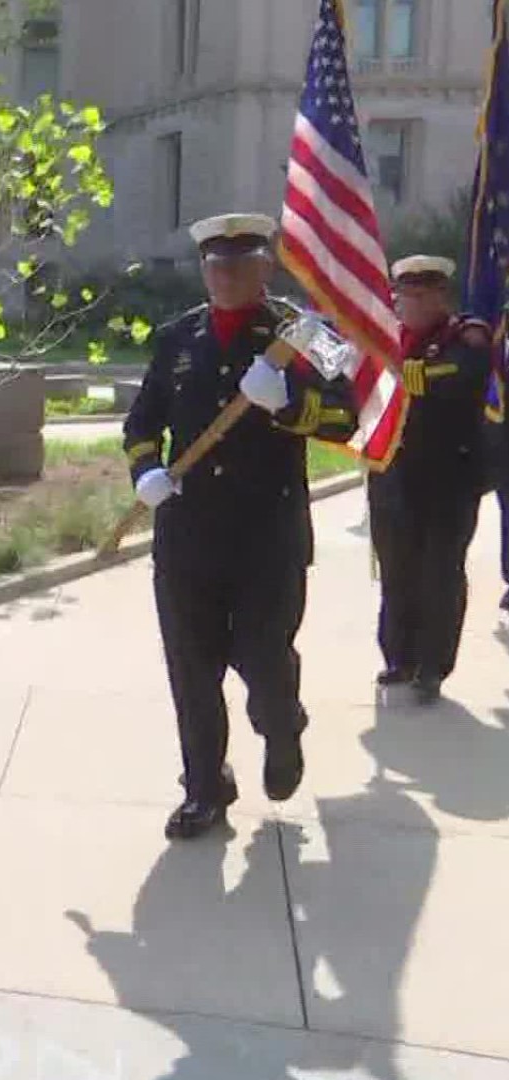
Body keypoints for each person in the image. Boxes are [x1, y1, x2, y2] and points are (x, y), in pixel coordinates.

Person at [122, 213, 360, 841]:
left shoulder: (307, 335)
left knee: (264, 659)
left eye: (239, 261)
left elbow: (347, 417)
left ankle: (282, 728)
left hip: (267, 536)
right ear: (203, 269)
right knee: (192, 669)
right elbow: (140, 422)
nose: (225, 274)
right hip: (189, 534)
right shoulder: (177, 338)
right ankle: (204, 787)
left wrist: (288, 403)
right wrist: (146, 472)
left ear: (266, 265)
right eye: (214, 263)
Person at [369, 256, 492, 703]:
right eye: (404, 296)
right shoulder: (385, 340)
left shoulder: (467, 335)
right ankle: (399, 658)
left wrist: (398, 369)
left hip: (448, 479)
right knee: (397, 570)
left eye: (421, 296)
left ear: (442, 296)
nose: (410, 305)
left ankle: (433, 666)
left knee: (439, 571)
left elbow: (459, 376)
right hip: (394, 476)